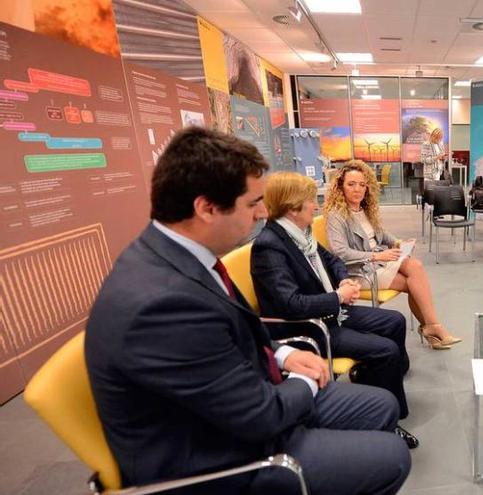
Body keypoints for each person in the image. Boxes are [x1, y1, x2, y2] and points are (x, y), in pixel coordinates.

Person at [85, 127, 410, 495]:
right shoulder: (159, 304)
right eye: (253, 202)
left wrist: (285, 355)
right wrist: (304, 379)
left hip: (247, 398)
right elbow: (260, 416)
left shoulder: (177, 258)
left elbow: (233, 332)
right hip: (224, 454)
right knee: (392, 456)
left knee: (381, 406)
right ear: (206, 208)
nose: (263, 213)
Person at [250, 172, 417, 448]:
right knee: (385, 349)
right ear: (292, 208)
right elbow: (291, 305)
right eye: (309, 202)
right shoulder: (270, 247)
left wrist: (342, 280)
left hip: (330, 311)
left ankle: (380, 379)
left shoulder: (299, 235)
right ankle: (388, 420)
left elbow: (333, 260)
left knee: (395, 321)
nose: (315, 207)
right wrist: (338, 297)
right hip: (311, 327)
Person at [325, 160, 462, 350]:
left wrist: (398, 242)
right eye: (351, 184)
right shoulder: (336, 215)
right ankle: (433, 328)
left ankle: (431, 328)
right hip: (359, 271)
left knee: (414, 271)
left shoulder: (364, 209)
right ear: (340, 187)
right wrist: (376, 256)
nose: (357, 189)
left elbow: (381, 234)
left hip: (379, 263)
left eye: (362, 185)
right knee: (414, 277)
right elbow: (340, 252)